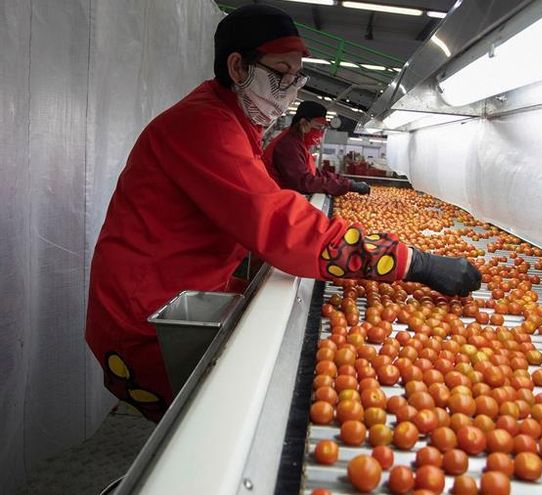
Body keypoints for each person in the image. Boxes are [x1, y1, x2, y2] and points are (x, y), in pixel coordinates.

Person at [85, 4, 480, 422]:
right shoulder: (207, 126)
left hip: (180, 288)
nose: (291, 88)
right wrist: (409, 261)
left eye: (297, 77)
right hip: (146, 315)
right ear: (238, 67)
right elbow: (279, 225)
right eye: (281, 73)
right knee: (198, 426)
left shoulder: (234, 120)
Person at [264, 100, 371, 195]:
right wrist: (346, 185)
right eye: (318, 127)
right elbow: (304, 181)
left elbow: (313, 172)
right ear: (303, 123)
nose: (319, 133)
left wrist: (344, 181)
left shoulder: (297, 142)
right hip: (274, 199)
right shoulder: (288, 145)